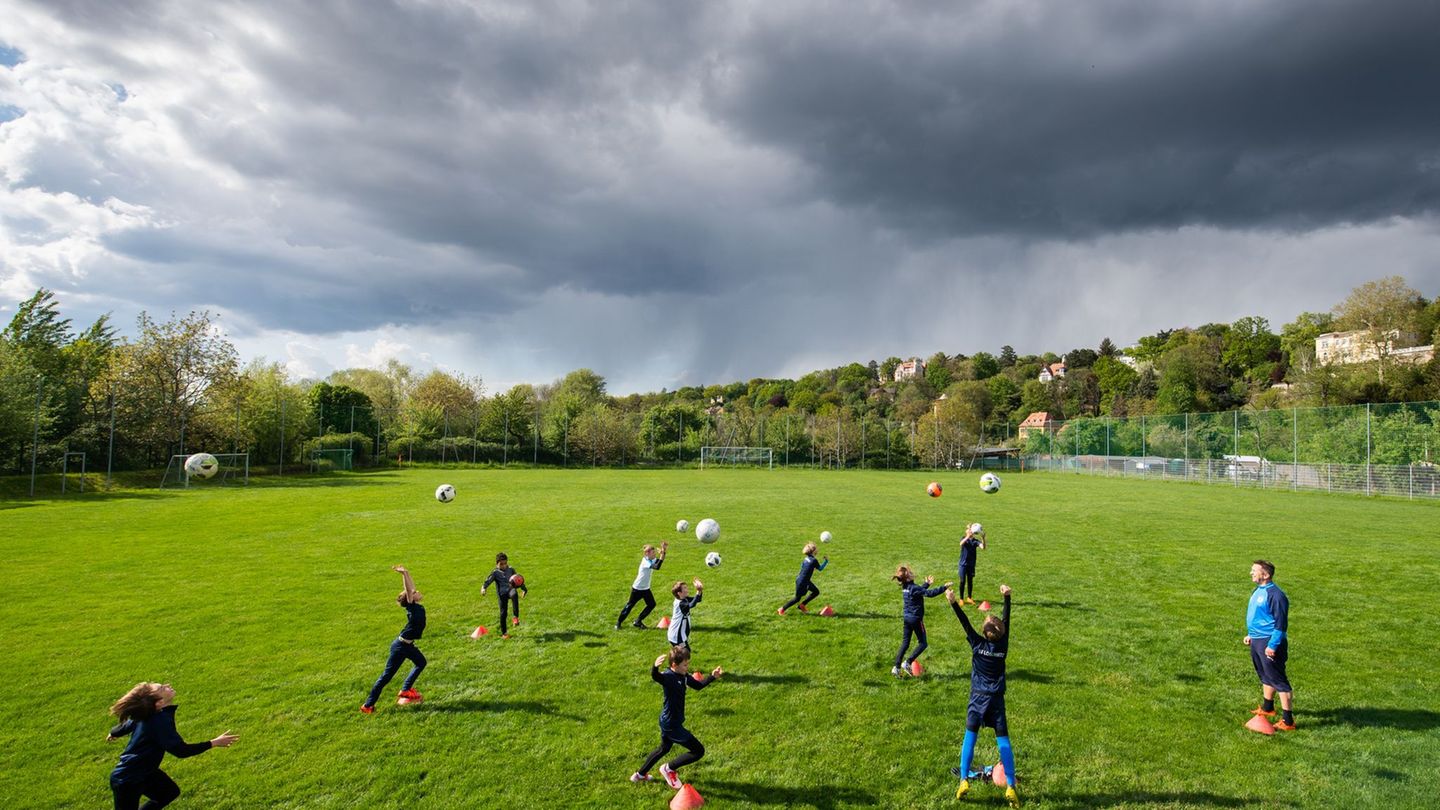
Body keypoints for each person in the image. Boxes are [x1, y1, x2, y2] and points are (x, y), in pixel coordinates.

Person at [106, 682, 238, 809]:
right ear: (159, 703)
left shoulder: (148, 713)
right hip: (127, 779)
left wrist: (114, 733)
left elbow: (126, 725)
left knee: (169, 792)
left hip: (146, 772)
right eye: (163, 688)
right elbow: (181, 751)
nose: (168, 685)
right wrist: (213, 743)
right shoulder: (159, 722)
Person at [947, 584, 1019, 808]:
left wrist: (952, 602)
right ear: (1001, 634)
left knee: (970, 738)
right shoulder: (1003, 646)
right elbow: (1006, 621)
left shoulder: (977, 644)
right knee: (1003, 741)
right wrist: (1007, 598)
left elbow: (965, 624)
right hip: (996, 699)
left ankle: (964, 780)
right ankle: (1010, 786)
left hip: (977, 698)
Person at [632, 646, 723, 788]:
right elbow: (656, 677)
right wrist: (655, 667)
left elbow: (698, 686)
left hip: (668, 721)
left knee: (664, 748)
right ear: (674, 665)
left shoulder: (684, 676)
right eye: (685, 665)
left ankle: (640, 775)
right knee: (698, 751)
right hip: (672, 725)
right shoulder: (668, 677)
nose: (687, 667)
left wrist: (712, 677)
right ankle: (668, 768)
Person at [362, 565, 427, 713]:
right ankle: (367, 705)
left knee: (421, 662)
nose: (417, 591)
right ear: (411, 597)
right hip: (400, 647)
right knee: (386, 677)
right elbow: (409, 589)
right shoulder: (412, 606)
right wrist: (403, 575)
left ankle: (405, 690)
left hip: (408, 646)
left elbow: (411, 588)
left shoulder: (416, 606)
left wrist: (408, 572)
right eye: (415, 592)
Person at [1244, 559, 1295, 730]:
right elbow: (1259, 617)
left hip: (1270, 641)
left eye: (1254, 570)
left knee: (1278, 679)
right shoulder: (1258, 590)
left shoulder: (1276, 595)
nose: (1251, 573)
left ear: (1265, 575)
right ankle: (1268, 708)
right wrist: (1251, 635)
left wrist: (1272, 645)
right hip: (1258, 640)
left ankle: (1288, 721)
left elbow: (1281, 624)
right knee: (1266, 675)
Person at [891, 565, 949, 676]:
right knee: (923, 643)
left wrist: (927, 584)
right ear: (908, 577)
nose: (912, 572)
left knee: (905, 643)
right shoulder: (913, 587)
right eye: (910, 572)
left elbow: (918, 591)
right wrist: (944, 587)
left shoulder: (905, 586)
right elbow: (929, 594)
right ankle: (907, 662)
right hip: (916, 619)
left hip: (907, 618)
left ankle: (896, 667)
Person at [617, 542, 669, 629]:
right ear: (646, 553)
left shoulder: (651, 559)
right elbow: (657, 567)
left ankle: (638, 621)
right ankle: (618, 622)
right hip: (637, 589)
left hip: (646, 589)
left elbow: (659, 561)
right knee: (630, 605)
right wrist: (661, 556)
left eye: (654, 553)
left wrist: (663, 551)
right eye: (653, 553)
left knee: (651, 604)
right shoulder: (645, 561)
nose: (654, 554)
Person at [481, 553, 528, 638]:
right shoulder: (495, 572)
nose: (503, 566)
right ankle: (504, 633)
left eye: (505, 563)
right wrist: (483, 588)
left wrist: (524, 589)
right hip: (502, 595)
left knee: (514, 593)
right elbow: (488, 581)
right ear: (497, 564)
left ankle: (515, 617)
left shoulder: (511, 570)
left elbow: (518, 580)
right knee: (503, 613)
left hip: (510, 590)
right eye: (501, 564)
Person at [778, 542, 828, 614]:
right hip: (804, 582)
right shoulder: (814, 560)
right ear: (813, 551)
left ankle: (802, 605)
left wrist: (810, 569)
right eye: (816, 549)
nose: (817, 550)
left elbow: (803, 566)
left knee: (816, 592)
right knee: (797, 598)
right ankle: (782, 609)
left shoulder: (806, 558)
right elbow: (820, 568)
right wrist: (826, 561)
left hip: (801, 579)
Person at [667, 578, 703, 650]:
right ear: (679, 593)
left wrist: (700, 591)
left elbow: (698, 599)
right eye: (685, 588)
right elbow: (692, 605)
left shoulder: (683, 599)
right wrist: (698, 591)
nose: (687, 589)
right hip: (677, 636)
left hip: (678, 635)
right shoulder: (681, 603)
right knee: (686, 653)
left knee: (683, 655)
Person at [957, 524, 986, 604]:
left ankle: (969, 598)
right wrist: (967, 536)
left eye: (969, 530)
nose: (968, 531)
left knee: (970, 581)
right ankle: (961, 599)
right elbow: (961, 544)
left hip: (971, 565)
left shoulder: (976, 541)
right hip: (962, 565)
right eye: (967, 530)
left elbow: (983, 547)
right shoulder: (964, 538)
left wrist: (983, 538)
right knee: (962, 581)